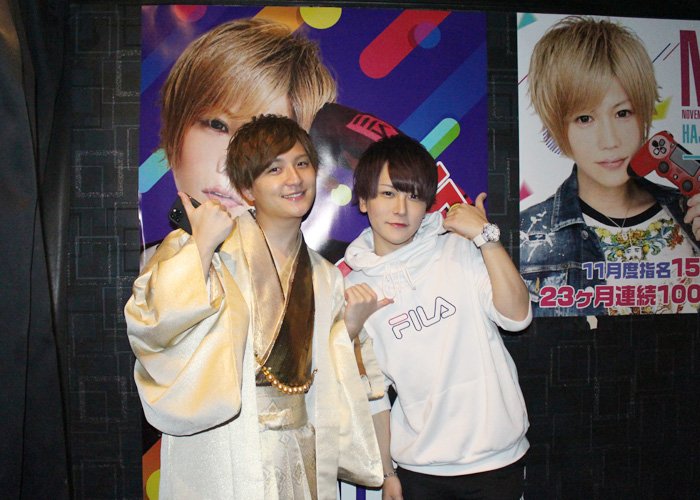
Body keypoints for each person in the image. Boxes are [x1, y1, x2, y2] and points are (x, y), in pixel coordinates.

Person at [125, 115, 385, 499]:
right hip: (225, 448)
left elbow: (324, 376)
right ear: (247, 188)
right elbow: (152, 324)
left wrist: (346, 330)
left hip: (298, 454)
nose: (294, 179)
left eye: (301, 163)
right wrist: (201, 247)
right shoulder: (203, 246)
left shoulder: (325, 276)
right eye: (274, 169)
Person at [344, 135, 532, 500]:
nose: (400, 209)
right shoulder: (355, 290)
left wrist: (486, 238)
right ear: (364, 201)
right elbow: (373, 396)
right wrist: (387, 473)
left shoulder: (459, 247)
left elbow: (517, 317)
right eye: (387, 194)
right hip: (419, 471)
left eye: (413, 196)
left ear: (427, 204)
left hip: (497, 462)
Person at [520, 16, 700, 316]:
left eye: (623, 113)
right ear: (558, 127)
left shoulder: (688, 211)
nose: (610, 140)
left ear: (644, 112)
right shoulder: (528, 236)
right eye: (585, 119)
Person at [141, 17, 337, 264]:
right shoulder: (148, 267)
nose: (227, 165)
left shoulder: (328, 273)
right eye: (217, 125)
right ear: (176, 128)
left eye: (265, 139)